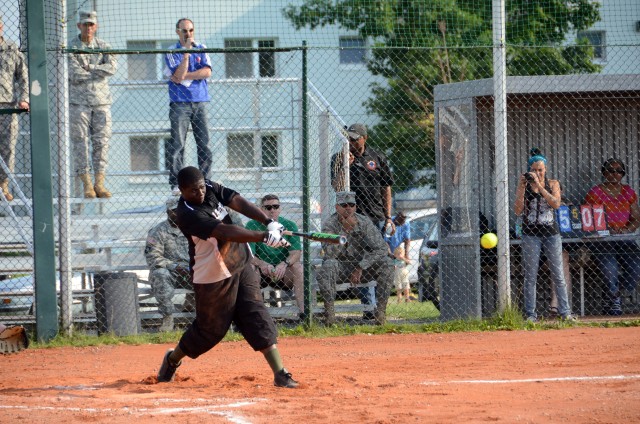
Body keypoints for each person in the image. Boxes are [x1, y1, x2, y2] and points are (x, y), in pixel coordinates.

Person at [156, 166, 298, 388]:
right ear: (183, 191)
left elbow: (237, 201)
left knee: (256, 313)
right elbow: (224, 232)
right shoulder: (186, 214)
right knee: (210, 331)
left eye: (202, 187)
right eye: (193, 191)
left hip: (240, 263)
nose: (200, 193)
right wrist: (263, 237)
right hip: (213, 275)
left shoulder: (210, 187)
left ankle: (280, 373)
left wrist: (267, 221)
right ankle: (173, 359)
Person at [331, 123, 395, 309]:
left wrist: (388, 216)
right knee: (360, 260)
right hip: (353, 219)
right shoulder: (339, 159)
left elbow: (386, 186)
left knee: (379, 259)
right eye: (348, 138)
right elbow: (336, 186)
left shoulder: (377, 157)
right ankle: (369, 307)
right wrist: (345, 167)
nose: (351, 142)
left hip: (376, 216)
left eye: (355, 138)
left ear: (364, 138)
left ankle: (380, 307)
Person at [513, 148, 575, 323]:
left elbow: (556, 204)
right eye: (534, 170)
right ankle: (531, 314)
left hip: (551, 234)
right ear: (529, 169)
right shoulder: (525, 186)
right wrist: (521, 187)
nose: (537, 172)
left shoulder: (553, 183)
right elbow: (517, 210)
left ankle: (565, 312)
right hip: (530, 234)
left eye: (540, 169)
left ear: (545, 169)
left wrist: (539, 185)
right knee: (530, 275)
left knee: (558, 273)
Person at [316, 191, 394, 325]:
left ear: (355, 207)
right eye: (344, 205)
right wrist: (345, 233)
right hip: (340, 268)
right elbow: (329, 254)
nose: (348, 208)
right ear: (337, 207)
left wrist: (361, 266)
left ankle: (380, 314)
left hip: (363, 268)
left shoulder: (364, 222)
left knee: (387, 263)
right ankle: (330, 316)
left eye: (351, 205)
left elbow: (381, 248)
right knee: (328, 265)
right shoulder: (330, 224)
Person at [68, 11, 117, 199]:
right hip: (78, 103)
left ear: (95, 27)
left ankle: (99, 183)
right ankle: (87, 184)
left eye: (91, 25)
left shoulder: (104, 46)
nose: (88, 28)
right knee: (80, 142)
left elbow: (111, 69)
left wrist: (91, 68)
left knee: (101, 142)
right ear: (79, 26)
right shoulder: (71, 46)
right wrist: (98, 73)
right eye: (85, 24)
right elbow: (74, 73)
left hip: (101, 102)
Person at [584, 158, 640, 316]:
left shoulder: (628, 192)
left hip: (623, 237)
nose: (615, 173)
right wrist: (605, 229)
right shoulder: (595, 193)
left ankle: (613, 292)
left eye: (619, 171)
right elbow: (587, 217)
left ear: (623, 174)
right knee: (611, 268)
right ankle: (614, 298)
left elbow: (636, 217)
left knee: (636, 267)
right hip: (602, 238)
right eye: (611, 170)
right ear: (604, 172)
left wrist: (626, 229)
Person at [164, 18, 213, 194]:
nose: (188, 34)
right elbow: (178, 75)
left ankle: (206, 181)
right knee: (178, 144)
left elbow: (207, 71)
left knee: (204, 144)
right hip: (180, 103)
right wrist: (186, 54)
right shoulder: (171, 51)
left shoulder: (201, 47)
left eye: (191, 30)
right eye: (184, 31)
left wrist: (187, 75)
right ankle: (176, 184)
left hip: (200, 101)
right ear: (178, 32)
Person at [245, 194, 305, 316]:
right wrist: (262, 264)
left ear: (279, 209)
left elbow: (296, 253)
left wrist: (284, 264)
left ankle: (304, 313)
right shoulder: (252, 225)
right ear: (261, 209)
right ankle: (255, 316)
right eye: (268, 207)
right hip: (261, 271)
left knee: (298, 268)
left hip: (282, 271)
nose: (272, 210)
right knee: (250, 269)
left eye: (275, 206)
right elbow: (249, 254)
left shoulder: (289, 225)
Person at [145, 196, 191, 332]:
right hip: (171, 272)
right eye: (174, 210)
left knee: (210, 272)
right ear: (168, 212)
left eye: (180, 210)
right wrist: (174, 266)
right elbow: (153, 256)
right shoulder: (158, 231)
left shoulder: (193, 227)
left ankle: (204, 315)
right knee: (159, 274)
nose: (177, 213)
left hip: (192, 270)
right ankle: (168, 317)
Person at [0, 14, 29, 201]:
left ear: (1, 26)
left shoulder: (11, 50)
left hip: (8, 106)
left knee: (8, 148)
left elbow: (23, 77)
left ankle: (4, 186)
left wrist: (24, 99)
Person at [385, 212, 413, 302]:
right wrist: (390, 254)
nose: (403, 222)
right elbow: (386, 242)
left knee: (405, 281)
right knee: (393, 278)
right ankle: (394, 296)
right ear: (397, 218)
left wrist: (406, 255)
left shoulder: (406, 223)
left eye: (404, 220)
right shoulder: (390, 223)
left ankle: (407, 296)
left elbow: (407, 240)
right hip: (390, 249)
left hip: (399, 250)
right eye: (401, 220)